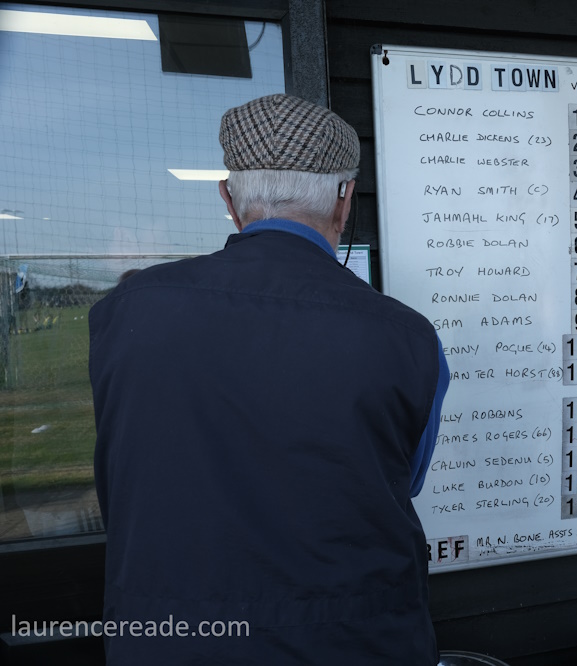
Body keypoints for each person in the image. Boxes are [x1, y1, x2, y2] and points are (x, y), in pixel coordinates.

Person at [89, 93, 449, 664]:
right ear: (345, 200)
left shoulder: (126, 312)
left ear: (228, 199)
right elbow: (400, 481)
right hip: (355, 644)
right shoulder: (408, 337)